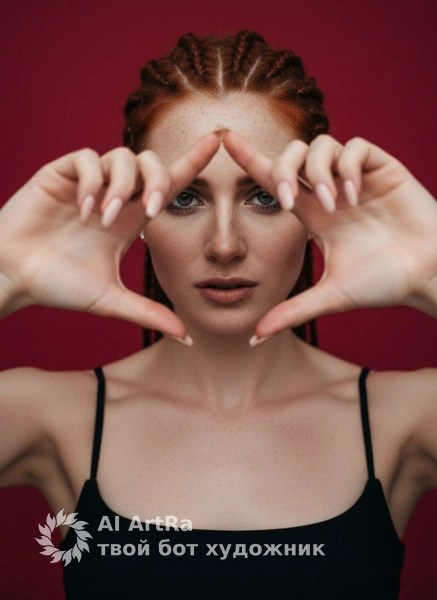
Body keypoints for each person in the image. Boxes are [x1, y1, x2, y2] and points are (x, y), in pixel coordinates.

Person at [0, 30, 437, 600]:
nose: (225, 245)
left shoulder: (407, 418)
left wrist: (433, 272)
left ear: (315, 208)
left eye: (265, 197)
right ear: (138, 210)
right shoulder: (45, 416)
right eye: (185, 197)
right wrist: (5, 273)